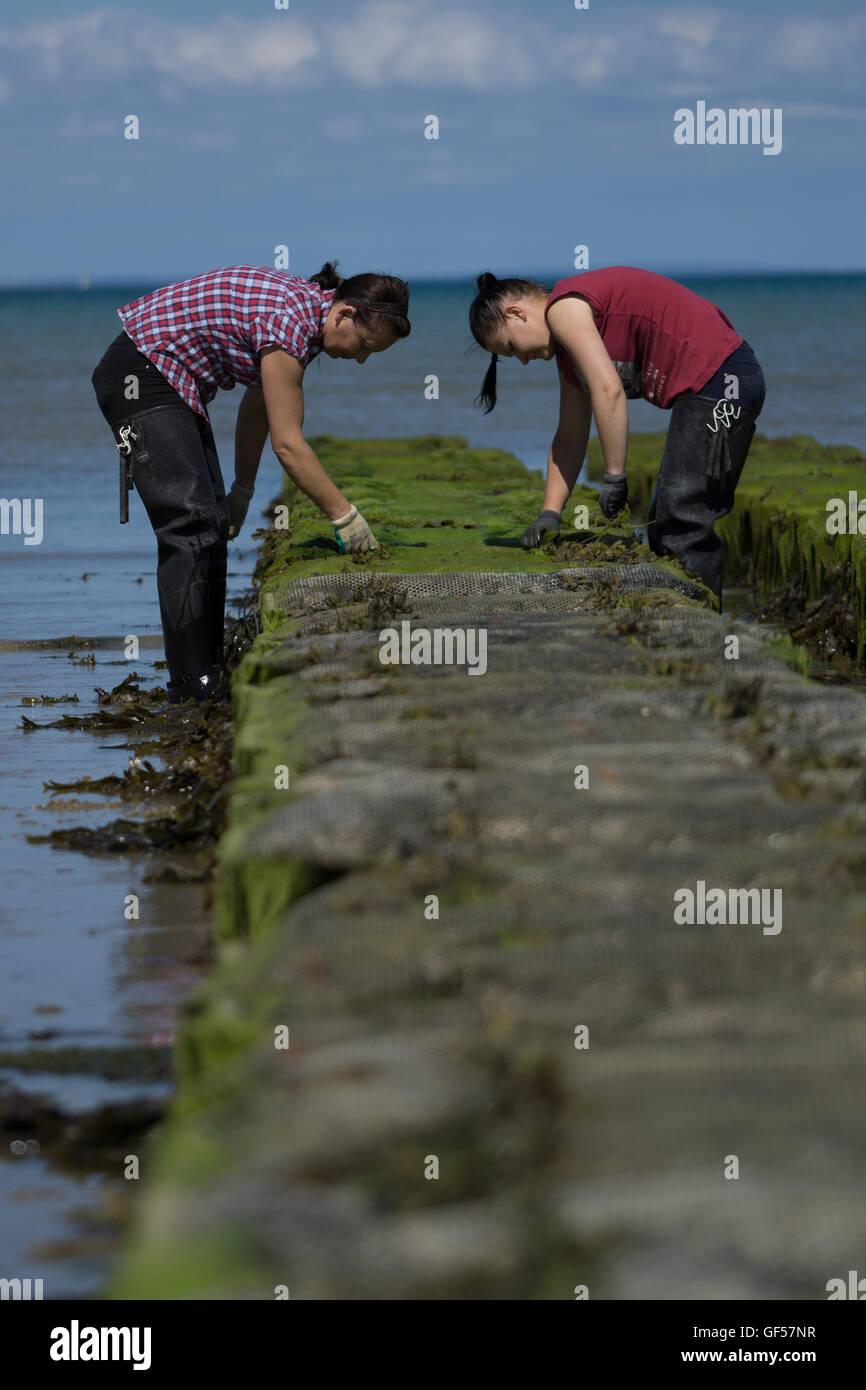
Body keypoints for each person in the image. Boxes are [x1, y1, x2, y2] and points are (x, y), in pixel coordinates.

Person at [92, 263, 410, 702]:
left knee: (211, 524)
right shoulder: (290, 324)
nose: (360, 359)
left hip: (172, 381)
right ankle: (193, 683)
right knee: (189, 527)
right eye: (365, 346)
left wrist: (241, 491)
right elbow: (289, 444)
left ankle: (207, 670)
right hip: (138, 374)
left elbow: (259, 404)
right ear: (345, 314)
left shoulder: (307, 322)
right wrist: (346, 518)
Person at [469, 266, 765, 604]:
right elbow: (569, 435)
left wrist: (614, 478)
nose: (522, 360)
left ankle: (702, 632)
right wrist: (549, 514)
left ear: (516, 313)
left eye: (512, 347)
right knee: (666, 519)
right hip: (713, 385)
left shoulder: (564, 310)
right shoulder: (568, 354)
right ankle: (685, 617)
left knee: (684, 518)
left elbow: (608, 391)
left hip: (724, 378)